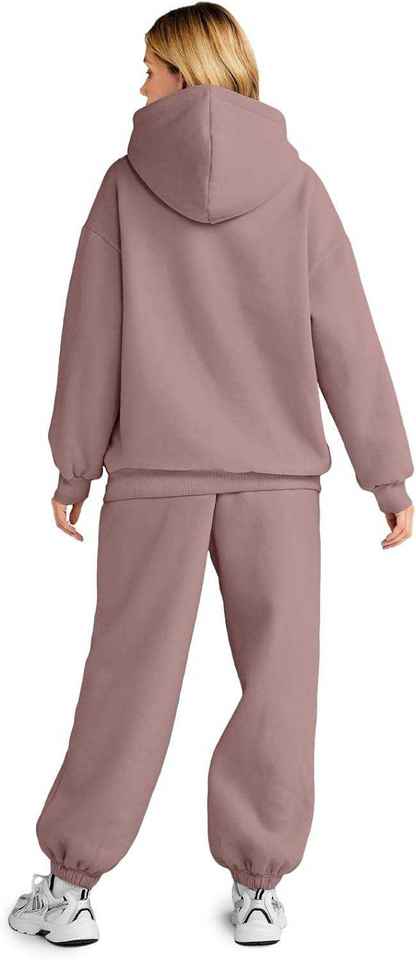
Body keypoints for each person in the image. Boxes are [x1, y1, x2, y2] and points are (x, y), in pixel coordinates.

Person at [9, 1, 413, 948]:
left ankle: (71, 885)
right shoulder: (298, 186)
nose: (140, 85)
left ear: (187, 72)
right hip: (278, 481)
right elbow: (347, 338)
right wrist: (387, 477)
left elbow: (91, 336)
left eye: (151, 68)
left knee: (126, 675)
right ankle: (258, 885)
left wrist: (73, 466)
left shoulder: (123, 185)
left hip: (156, 474)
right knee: (281, 679)